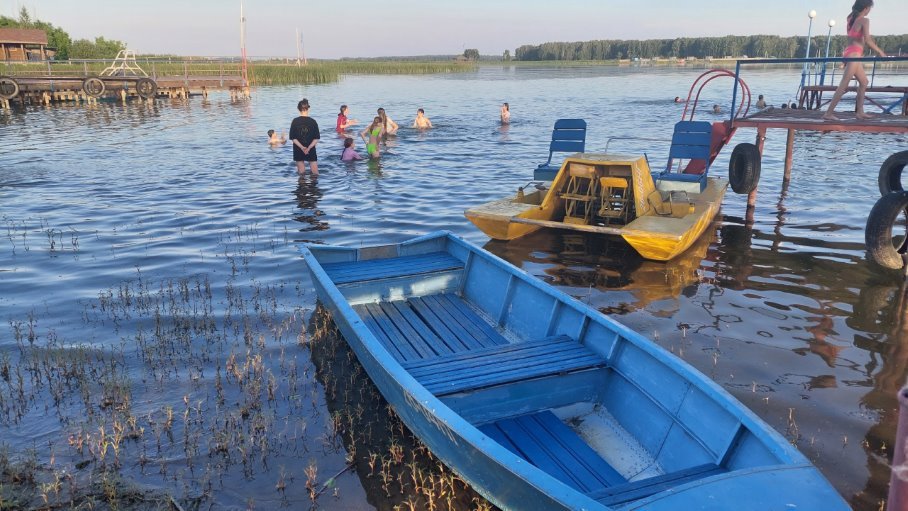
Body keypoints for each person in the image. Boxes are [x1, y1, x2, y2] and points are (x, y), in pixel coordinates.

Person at [823, 0, 887, 120]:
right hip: (854, 54)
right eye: (869, 8)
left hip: (849, 52)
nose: (869, 11)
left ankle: (860, 112)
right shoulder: (864, 20)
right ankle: (828, 113)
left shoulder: (850, 18)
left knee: (864, 82)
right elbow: (867, 40)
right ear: (866, 8)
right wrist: (880, 52)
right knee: (844, 84)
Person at [289, 99, 320, 175]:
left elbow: (293, 138)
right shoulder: (313, 121)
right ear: (308, 108)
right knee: (315, 173)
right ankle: (314, 183)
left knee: (301, 173)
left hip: (298, 148)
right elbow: (316, 138)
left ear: (298, 109)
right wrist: (308, 148)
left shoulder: (295, 121)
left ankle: (302, 182)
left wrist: (302, 147)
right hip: (311, 148)